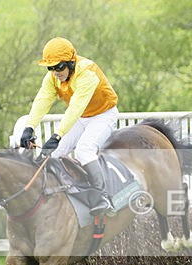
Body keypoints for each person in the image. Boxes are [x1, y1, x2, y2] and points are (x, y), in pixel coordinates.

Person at [19, 37, 119, 215]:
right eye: (51, 68)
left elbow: (75, 108)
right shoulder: (52, 78)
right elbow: (42, 100)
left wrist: (57, 135)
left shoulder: (87, 72)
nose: (55, 72)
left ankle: (103, 197)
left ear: (71, 62)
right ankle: (64, 193)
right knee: (51, 154)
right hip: (81, 117)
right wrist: (29, 127)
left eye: (59, 67)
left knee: (84, 150)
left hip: (103, 115)